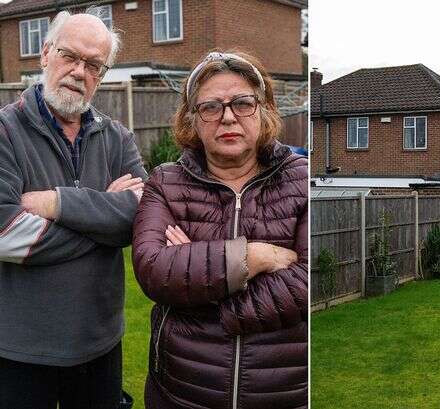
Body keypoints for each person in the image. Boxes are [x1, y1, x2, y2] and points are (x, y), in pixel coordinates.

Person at [132, 51, 308, 409]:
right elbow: (153, 270)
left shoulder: (302, 180)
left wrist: (201, 289)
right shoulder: (166, 182)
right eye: (210, 107)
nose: (227, 117)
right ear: (192, 120)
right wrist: (253, 257)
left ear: (264, 110)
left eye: (242, 103)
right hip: (181, 393)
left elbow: (308, 282)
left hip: (281, 393)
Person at [0, 9, 146, 409]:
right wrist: (104, 220)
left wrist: (56, 203)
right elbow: (6, 236)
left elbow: (142, 217)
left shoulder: (117, 138)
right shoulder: (5, 133)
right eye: (70, 56)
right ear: (45, 53)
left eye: (94, 64)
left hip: (100, 344)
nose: (79, 72)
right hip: (21, 352)